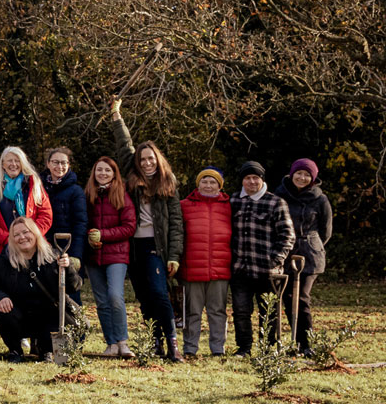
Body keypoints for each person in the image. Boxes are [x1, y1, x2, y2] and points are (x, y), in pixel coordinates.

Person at [110, 98, 185, 362]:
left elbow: (176, 223)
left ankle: (172, 343)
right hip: (133, 248)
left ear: (158, 159)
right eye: (143, 160)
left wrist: (174, 255)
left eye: (151, 158)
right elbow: (124, 146)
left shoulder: (168, 184)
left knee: (158, 293)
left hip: (157, 247)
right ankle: (156, 342)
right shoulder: (132, 178)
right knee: (143, 296)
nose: (147, 163)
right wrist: (117, 117)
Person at [0, 217, 79, 363]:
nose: (22, 237)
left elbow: (75, 286)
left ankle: (46, 350)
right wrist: (0, 297)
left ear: (35, 233)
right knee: (4, 310)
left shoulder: (53, 258)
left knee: (56, 314)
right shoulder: (2, 262)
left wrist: (68, 269)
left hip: (47, 314)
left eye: (25, 232)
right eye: (16, 235)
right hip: (19, 314)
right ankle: (15, 350)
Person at [230, 161, 295, 357]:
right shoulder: (233, 201)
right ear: (242, 181)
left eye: (255, 178)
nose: (251, 182)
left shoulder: (275, 202)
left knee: (269, 313)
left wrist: (275, 259)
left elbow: (288, 235)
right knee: (241, 312)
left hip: (267, 271)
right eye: (247, 178)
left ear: (262, 180)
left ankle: (268, 349)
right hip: (240, 269)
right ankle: (244, 348)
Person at [273, 158, 332, 357]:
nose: (302, 177)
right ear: (292, 173)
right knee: (287, 298)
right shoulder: (279, 195)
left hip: (310, 254)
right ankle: (292, 343)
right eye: (299, 173)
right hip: (285, 251)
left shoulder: (320, 199)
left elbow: (326, 231)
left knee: (302, 297)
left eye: (307, 175)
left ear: (313, 178)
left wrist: (311, 245)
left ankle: (307, 343)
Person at [84, 156, 136, 357]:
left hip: (116, 255)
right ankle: (111, 343)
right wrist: (90, 236)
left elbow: (129, 226)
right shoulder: (88, 194)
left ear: (114, 173)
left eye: (107, 170)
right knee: (102, 301)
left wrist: (103, 235)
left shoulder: (121, 194)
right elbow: (83, 221)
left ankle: (123, 341)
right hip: (93, 256)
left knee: (115, 296)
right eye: (99, 170)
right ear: (94, 173)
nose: (103, 173)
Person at [179, 167, 232, 357]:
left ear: (220, 185)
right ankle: (190, 348)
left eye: (213, 182)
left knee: (217, 311)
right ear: (198, 184)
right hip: (191, 268)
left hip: (220, 268)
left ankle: (218, 349)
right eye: (204, 181)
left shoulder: (229, 206)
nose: (208, 185)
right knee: (192, 311)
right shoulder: (184, 205)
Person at [0, 147, 53, 266]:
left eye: (17, 160)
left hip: (33, 247)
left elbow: (46, 215)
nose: (13, 164)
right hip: (2, 248)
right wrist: (8, 239)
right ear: (3, 164)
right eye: (9, 161)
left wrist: (30, 236)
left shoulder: (34, 184)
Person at [41, 147, 88, 303]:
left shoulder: (75, 191)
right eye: (55, 162)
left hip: (67, 248)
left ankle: (76, 326)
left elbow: (80, 224)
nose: (59, 166)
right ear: (48, 164)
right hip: (45, 247)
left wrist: (76, 254)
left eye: (63, 163)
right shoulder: (39, 187)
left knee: (71, 293)